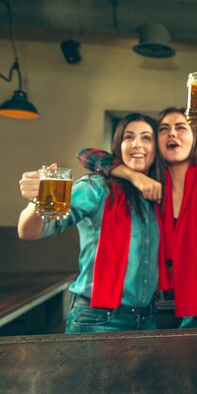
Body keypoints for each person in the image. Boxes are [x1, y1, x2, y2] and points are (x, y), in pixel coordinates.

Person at [78, 72, 197, 327]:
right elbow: (87, 155)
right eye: (164, 129)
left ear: (195, 137)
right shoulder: (151, 190)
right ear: (157, 142)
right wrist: (133, 175)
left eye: (181, 128)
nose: (172, 134)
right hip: (187, 299)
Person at [18, 113, 165, 333]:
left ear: (156, 147)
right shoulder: (95, 187)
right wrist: (36, 202)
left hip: (147, 319)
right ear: (119, 145)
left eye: (146, 138)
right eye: (128, 137)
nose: (137, 144)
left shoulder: (158, 195)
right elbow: (29, 231)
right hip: (98, 319)